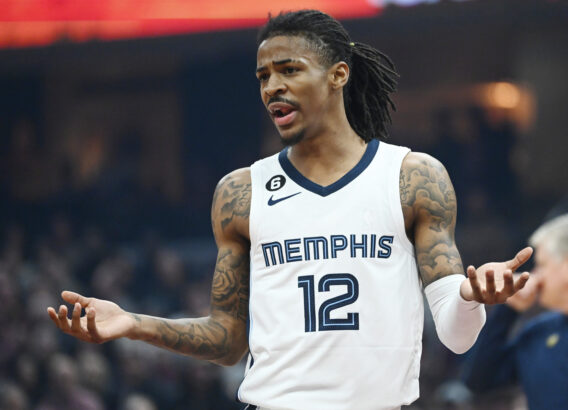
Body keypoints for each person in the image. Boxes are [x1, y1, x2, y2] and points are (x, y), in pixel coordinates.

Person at [48, 10, 532, 410]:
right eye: (263, 76)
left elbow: (457, 336)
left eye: (289, 70)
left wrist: (472, 296)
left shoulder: (411, 176)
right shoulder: (240, 191)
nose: (271, 87)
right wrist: (133, 323)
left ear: (338, 74)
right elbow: (227, 340)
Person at [463, 213, 568, 410]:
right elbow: (479, 381)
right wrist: (508, 309)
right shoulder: (538, 332)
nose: (535, 275)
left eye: (541, 265)